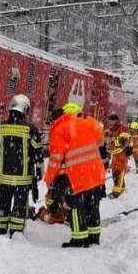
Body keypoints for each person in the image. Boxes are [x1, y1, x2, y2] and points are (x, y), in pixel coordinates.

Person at [44, 102, 106, 248]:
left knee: (76, 207)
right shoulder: (87, 124)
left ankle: (79, 239)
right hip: (96, 173)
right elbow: (100, 141)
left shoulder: (60, 129)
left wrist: (49, 178)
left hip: (77, 176)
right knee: (93, 206)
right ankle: (94, 237)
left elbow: (55, 159)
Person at [0, 94, 44, 237]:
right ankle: (16, 231)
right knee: (19, 206)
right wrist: (39, 171)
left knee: (2, 203)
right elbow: (38, 153)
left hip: (4, 176)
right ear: (25, 110)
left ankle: (0, 228)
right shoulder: (30, 130)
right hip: (23, 178)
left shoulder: (0, 129)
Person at [105, 112, 132, 198]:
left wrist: (114, 142)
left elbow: (125, 141)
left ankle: (116, 192)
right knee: (115, 172)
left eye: (111, 121)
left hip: (121, 153)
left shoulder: (122, 128)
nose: (110, 123)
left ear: (115, 120)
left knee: (119, 172)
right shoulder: (112, 129)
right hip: (115, 154)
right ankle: (122, 187)